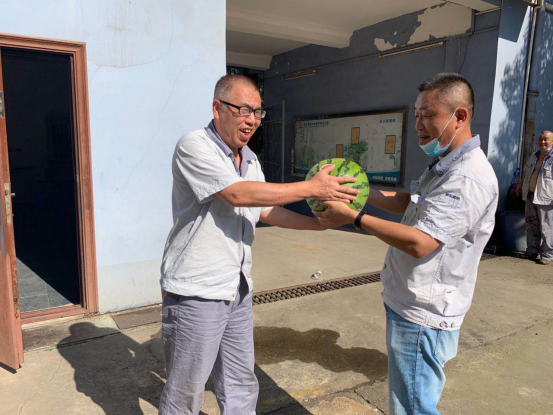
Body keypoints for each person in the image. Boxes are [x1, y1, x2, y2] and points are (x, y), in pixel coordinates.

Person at [158, 74, 359, 415]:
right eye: (243, 110)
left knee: (240, 382)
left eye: (257, 112)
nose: (252, 120)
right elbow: (237, 194)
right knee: (186, 391)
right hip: (197, 290)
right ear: (218, 108)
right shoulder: (194, 145)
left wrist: (317, 224)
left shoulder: (250, 158)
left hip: (236, 287)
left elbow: (264, 210)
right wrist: (312, 188)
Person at [314, 73, 498, 414]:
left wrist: (353, 217)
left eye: (427, 115)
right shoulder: (446, 165)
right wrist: (357, 191)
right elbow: (410, 203)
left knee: (413, 408)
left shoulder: (467, 177)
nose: (418, 125)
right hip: (409, 302)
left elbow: (421, 243)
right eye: (416, 115)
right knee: (408, 402)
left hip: (423, 313)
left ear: (459, 116)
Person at [515, 130, 553, 265]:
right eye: (540, 139)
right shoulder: (534, 156)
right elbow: (527, 173)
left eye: (546, 139)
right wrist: (520, 185)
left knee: (547, 227)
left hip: (546, 198)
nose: (542, 142)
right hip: (530, 195)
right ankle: (532, 251)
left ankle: (547, 255)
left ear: (552, 142)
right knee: (531, 224)